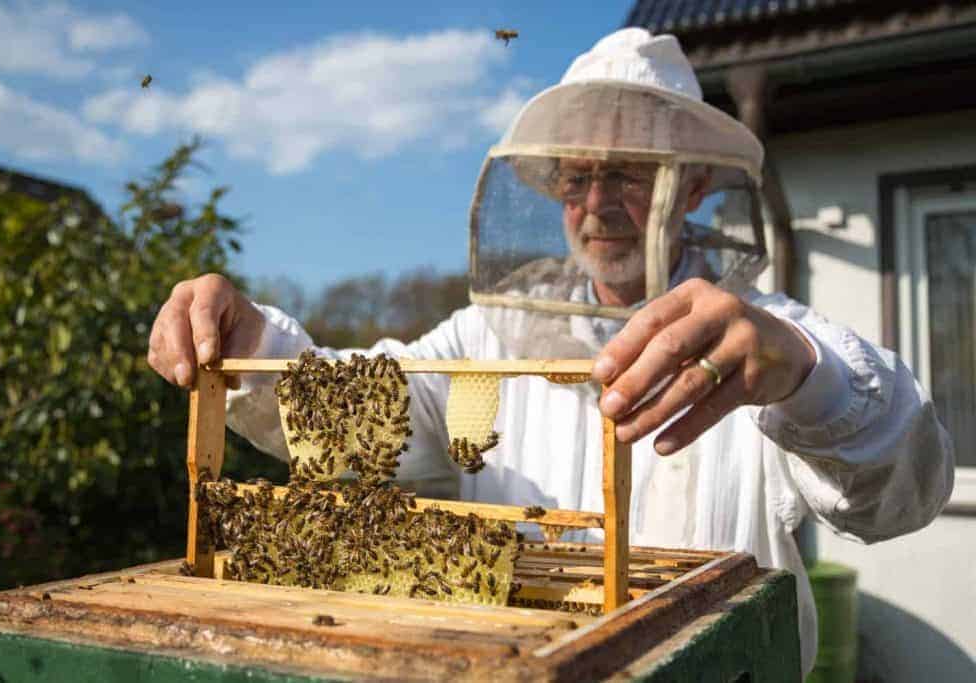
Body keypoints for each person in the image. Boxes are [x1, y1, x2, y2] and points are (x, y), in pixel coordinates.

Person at [146, 29, 954, 676]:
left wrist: (809, 378)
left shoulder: (765, 342)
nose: (596, 207)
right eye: (575, 180)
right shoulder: (486, 339)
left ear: (698, 183)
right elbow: (358, 420)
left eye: (627, 175)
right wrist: (252, 345)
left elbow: (904, 492)